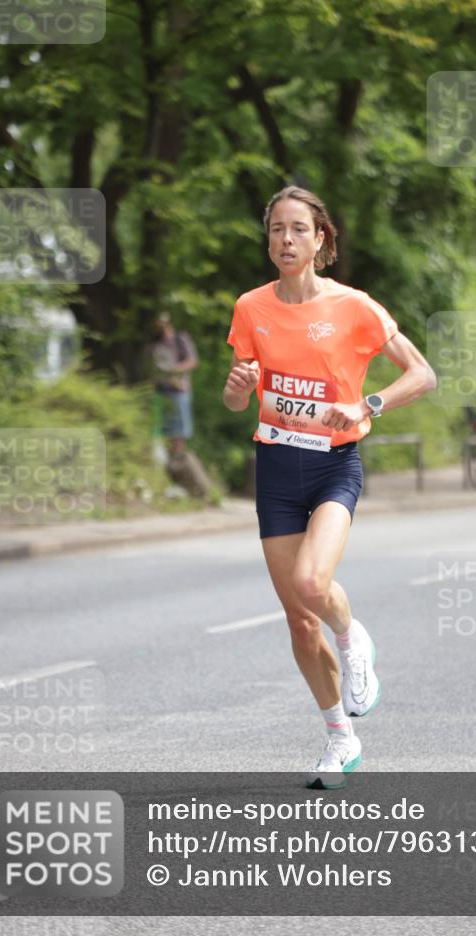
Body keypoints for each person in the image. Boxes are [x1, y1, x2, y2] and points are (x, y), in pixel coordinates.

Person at [223, 185, 436, 788]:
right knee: (296, 618)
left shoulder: (355, 307)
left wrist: (367, 402)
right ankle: (340, 738)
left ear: (321, 239)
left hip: (333, 465)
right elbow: (236, 398)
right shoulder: (251, 307)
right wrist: (239, 385)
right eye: (275, 231)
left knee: (312, 582)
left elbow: (422, 374)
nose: (284, 241)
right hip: (275, 467)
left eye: (297, 229)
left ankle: (352, 636)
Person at [152, 312, 199, 458]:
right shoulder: (155, 342)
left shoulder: (180, 338)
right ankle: (163, 462)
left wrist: (172, 369)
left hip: (179, 390)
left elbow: (192, 361)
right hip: (160, 390)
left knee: (179, 431)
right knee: (160, 429)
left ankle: (176, 461)